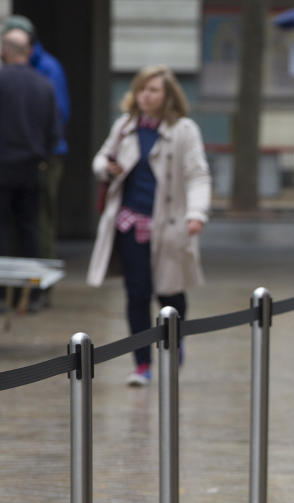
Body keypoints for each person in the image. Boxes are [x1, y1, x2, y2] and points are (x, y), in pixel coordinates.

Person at [87, 65, 210, 387]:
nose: (146, 95)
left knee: (170, 293)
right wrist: (106, 168)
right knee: (137, 293)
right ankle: (142, 364)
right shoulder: (125, 126)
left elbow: (198, 175)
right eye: (142, 88)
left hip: (169, 224)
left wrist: (196, 213)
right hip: (130, 222)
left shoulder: (184, 129)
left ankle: (174, 343)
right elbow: (100, 159)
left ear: (168, 95)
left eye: (154, 90)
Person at [1, 15, 70, 270]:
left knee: (24, 225)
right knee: (30, 225)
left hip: (18, 162)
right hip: (35, 161)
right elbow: (56, 124)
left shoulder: (48, 70)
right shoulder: (43, 81)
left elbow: (58, 118)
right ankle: (32, 291)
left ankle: (18, 286)